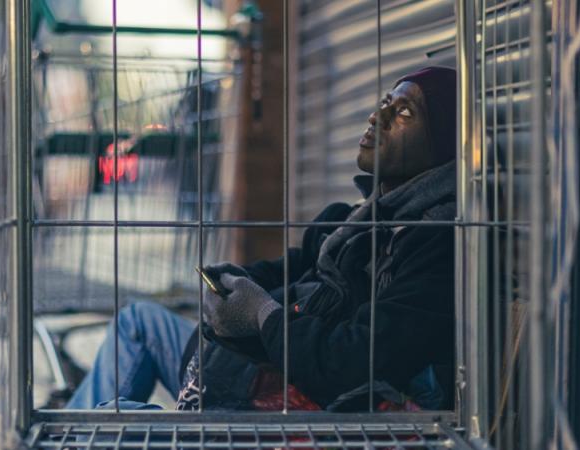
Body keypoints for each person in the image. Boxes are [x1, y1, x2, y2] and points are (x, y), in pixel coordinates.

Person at [65, 66, 458, 412]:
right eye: (384, 103)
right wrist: (233, 284)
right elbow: (285, 270)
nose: (377, 117)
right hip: (268, 370)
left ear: (440, 146)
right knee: (137, 322)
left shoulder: (434, 243)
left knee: (113, 419)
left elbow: (350, 360)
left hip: (309, 403)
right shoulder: (352, 220)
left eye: (403, 112)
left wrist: (263, 315)